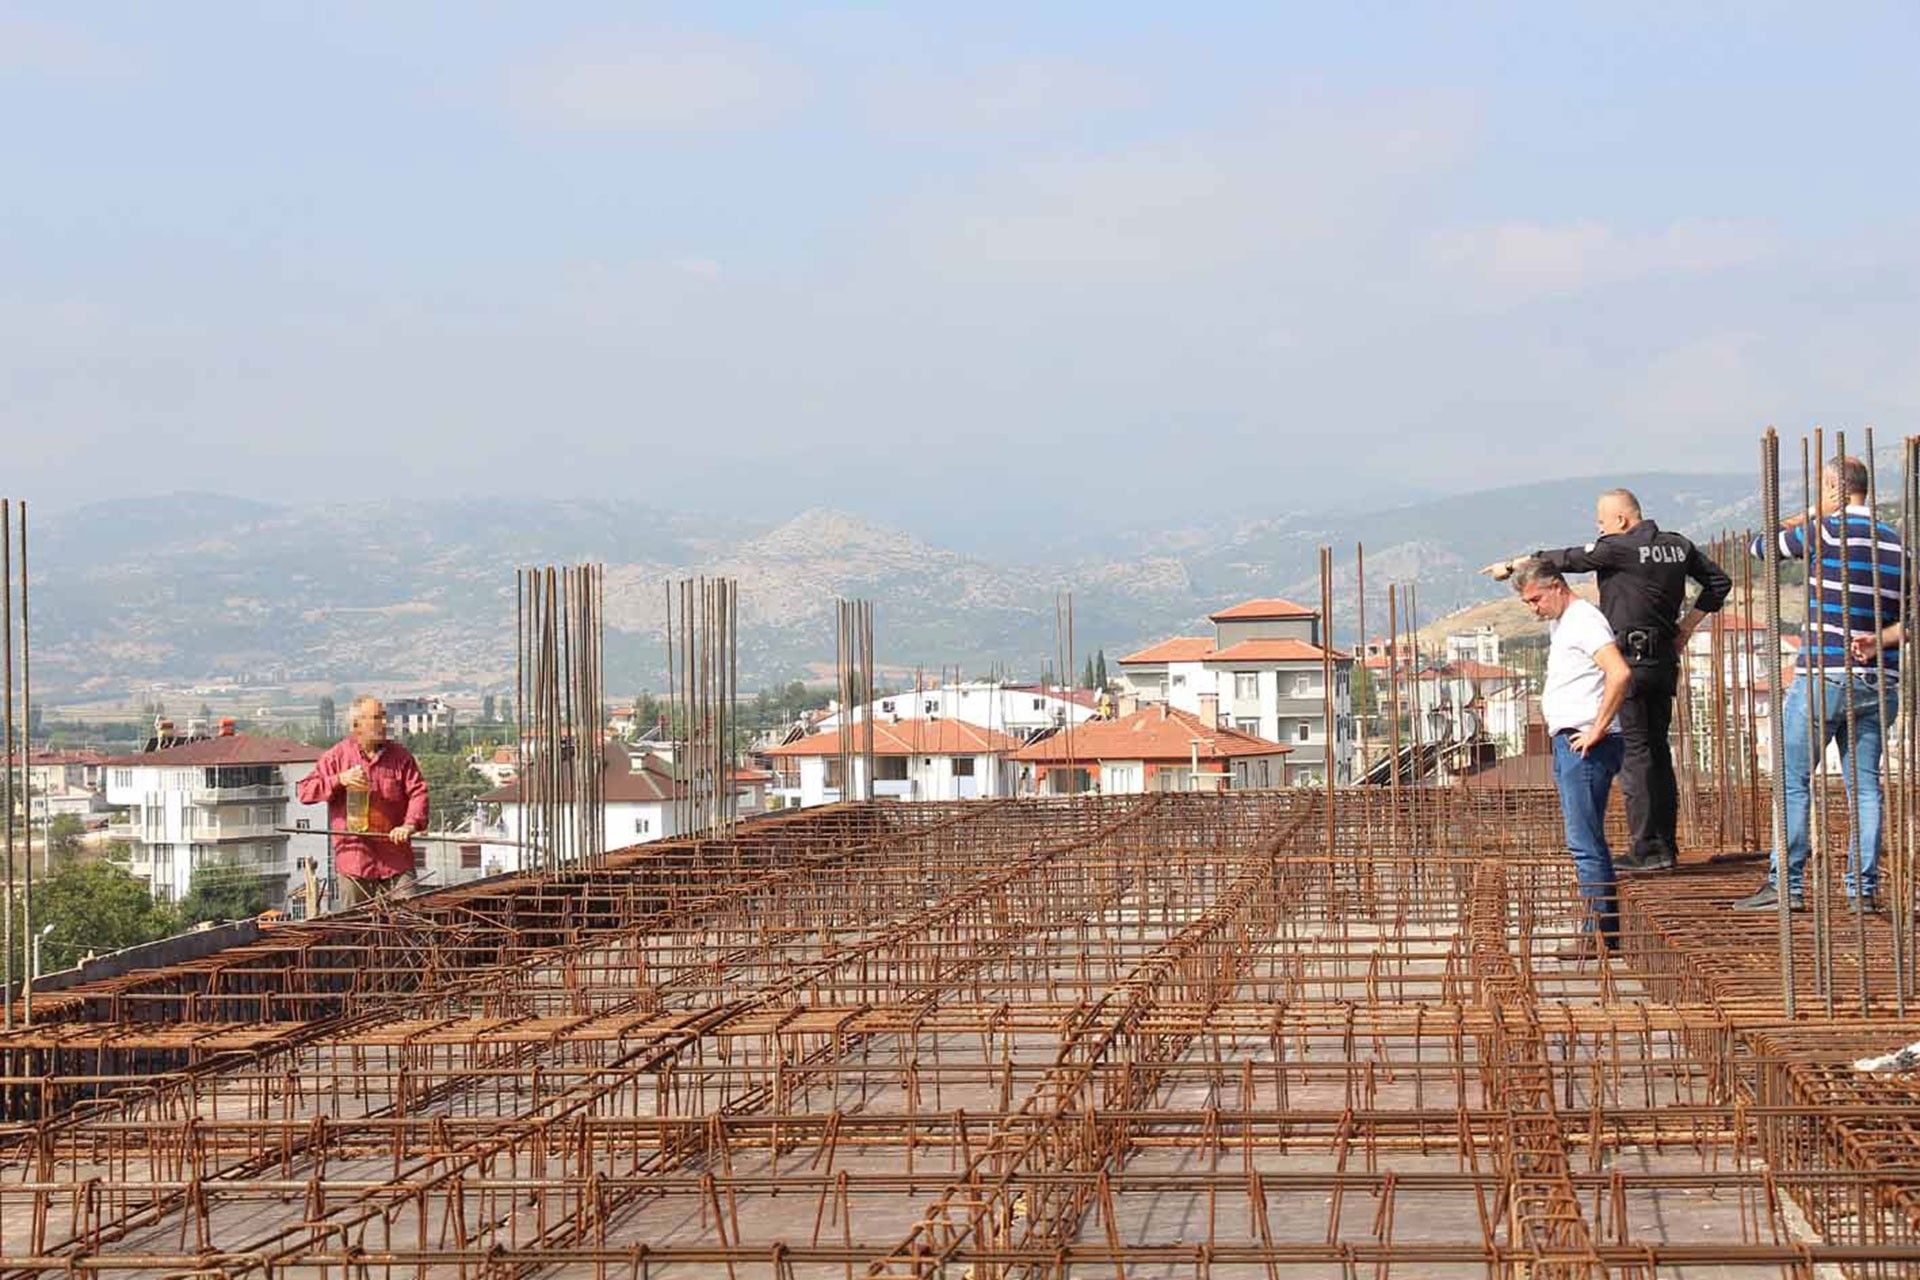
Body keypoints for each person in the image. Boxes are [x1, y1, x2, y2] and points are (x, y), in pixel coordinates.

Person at [1484, 489, 1730, 874]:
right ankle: (1663, 844)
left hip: (1628, 658)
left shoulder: (1618, 547)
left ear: (1620, 520)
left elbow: (1565, 559)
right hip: (1663, 659)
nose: (1600, 530)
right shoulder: (1678, 547)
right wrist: (1685, 628)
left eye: (1602, 522)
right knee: (1656, 753)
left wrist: (1514, 565)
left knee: (1636, 755)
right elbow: (1719, 582)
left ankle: (1647, 850)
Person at [1734, 455, 1906, 913]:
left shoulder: (1826, 531)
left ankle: (1785, 886)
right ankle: (1862, 890)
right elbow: (1909, 620)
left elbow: (1760, 548)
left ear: (1833, 488)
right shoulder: (1897, 544)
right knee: (1865, 787)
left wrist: (1811, 512)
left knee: (1793, 782)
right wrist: (1876, 642)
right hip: (1879, 682)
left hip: (1822, 679)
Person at [1511, 558, 1632, 960]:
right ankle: (1598, 929)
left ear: (1558, 587)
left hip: (1587, 743)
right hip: (1571, 741)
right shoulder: (1564, 622)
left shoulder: (1584, 621)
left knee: (1585, 843)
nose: (1533, 609)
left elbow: (1619, 673)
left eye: (1535, 599)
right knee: (1583, 839)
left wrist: (1598, 727)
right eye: (1527, 603)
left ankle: (1598, 935)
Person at [297, 696, 429, 908]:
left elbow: (418, 792)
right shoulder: (337, 757)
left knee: (409, 919)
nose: (383, 724)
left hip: (396, 857)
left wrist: (409, 824)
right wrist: (340, 779)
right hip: (354, 859)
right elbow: (304, 791)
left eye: (383, 717)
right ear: (356, 724)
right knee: (357, 926)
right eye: (376, 718)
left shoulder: (401, 756)